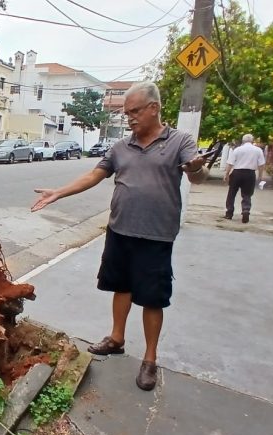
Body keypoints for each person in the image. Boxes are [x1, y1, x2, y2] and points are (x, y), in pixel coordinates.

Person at [30, 81, 207, 391]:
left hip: (156, 237)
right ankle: (116, 338)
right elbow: (94, 175)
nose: (130, 118)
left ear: (154, 108)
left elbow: (197, 175)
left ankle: (150, 359)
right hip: (120, 230)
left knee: (153, 298)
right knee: (121, 286)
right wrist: (59, 192)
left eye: (135, 111)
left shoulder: (179, 141)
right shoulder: (120, 147)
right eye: (127, 114)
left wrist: (195, 169)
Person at [223, 134, 265, 223]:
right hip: (250, 174)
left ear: (243, 141)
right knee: (247, 194)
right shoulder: (258, 150)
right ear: (252, 141)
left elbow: (230, 163)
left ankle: (229, 212)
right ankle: (246, 210)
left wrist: (226, 174)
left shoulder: (237, 150)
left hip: (237, 173)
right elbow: (261, 164)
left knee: (232, 193)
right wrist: (260, 176)